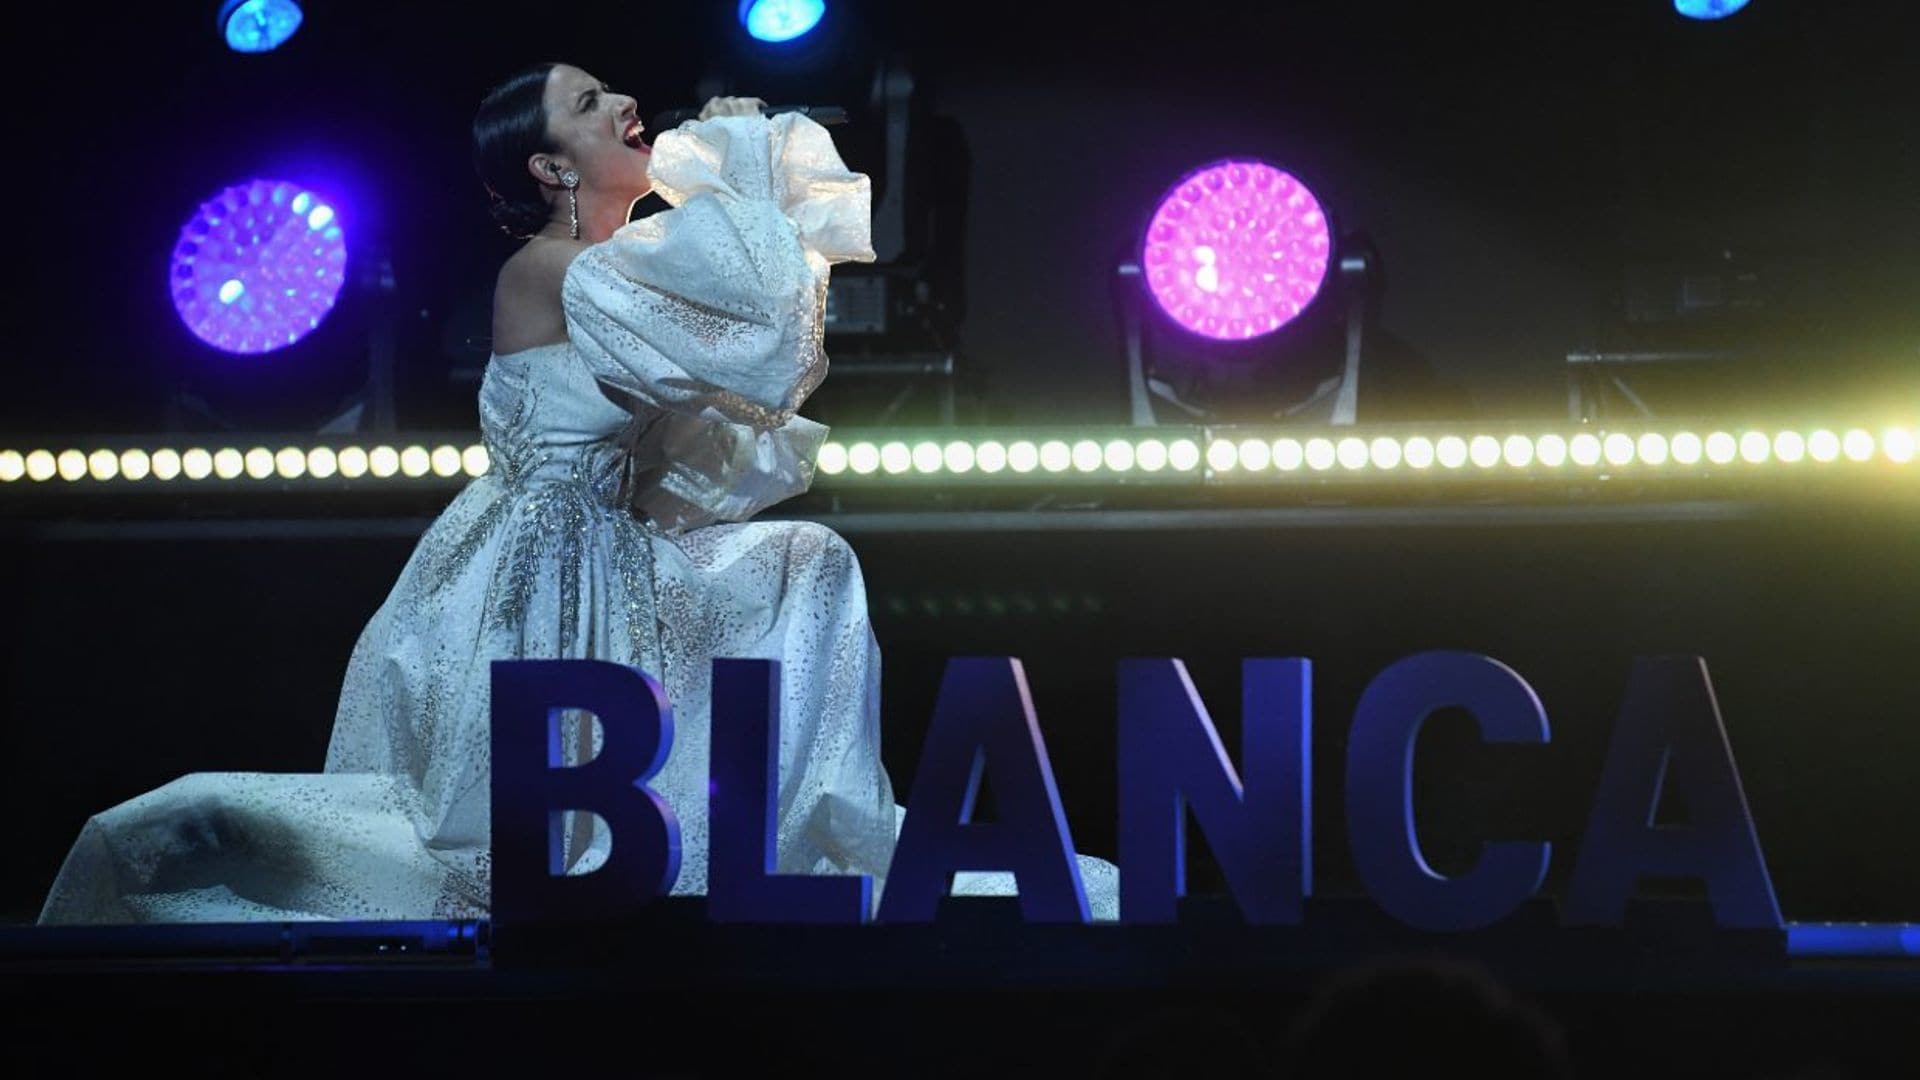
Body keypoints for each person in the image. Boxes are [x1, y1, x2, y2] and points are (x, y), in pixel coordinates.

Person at [39, 62, 1116, 924]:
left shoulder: (616, 264)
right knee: (499, 850)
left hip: (615, 550)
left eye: (611, 92)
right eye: (590, 105)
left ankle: (769, 840)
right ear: (553, 168)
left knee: (807, 562)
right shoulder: (554, 268)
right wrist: (734, 166)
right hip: (546, 576)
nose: (623, 106)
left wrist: (739, 184)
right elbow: (747, 319)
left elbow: (753, 341)